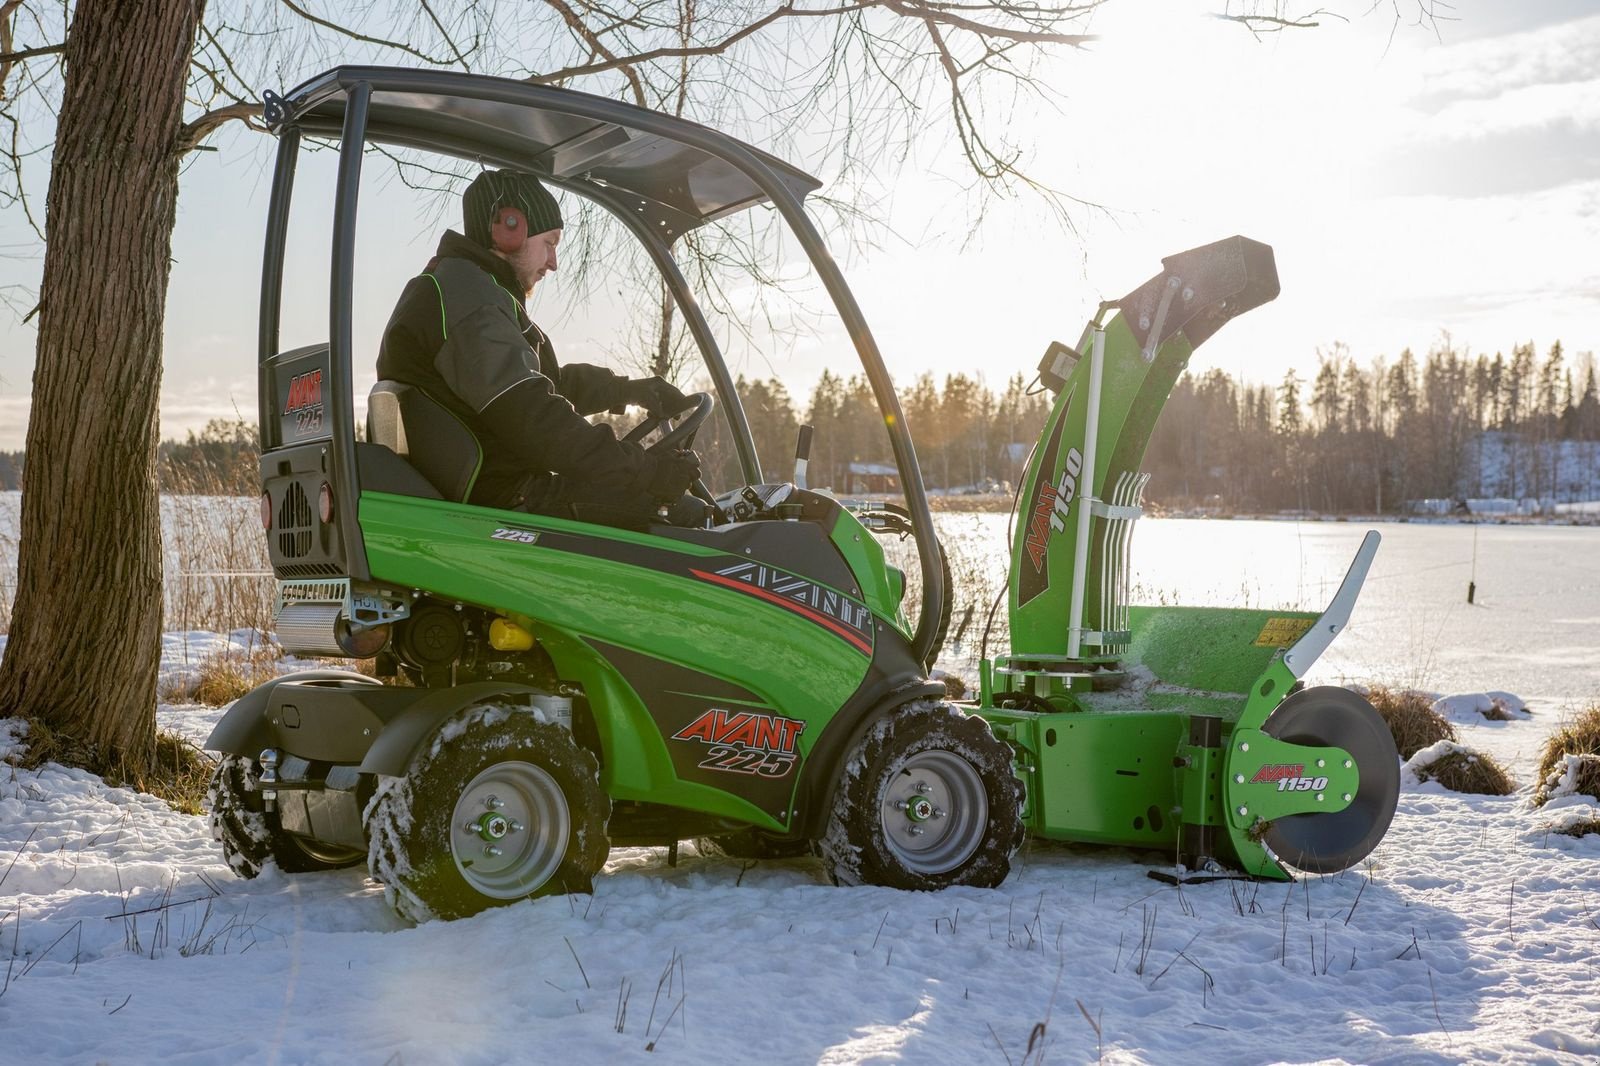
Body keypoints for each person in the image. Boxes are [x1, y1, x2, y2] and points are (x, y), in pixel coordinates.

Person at [377, 169, 700, 526]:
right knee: (690, 521)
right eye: (550, 243)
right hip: (506, 503)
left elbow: (541, 386)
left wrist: (626, 389)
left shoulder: (462, 289)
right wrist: (646, 471)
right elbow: (534, 417)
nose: (554, 262)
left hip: (497, 490)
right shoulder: (471, 303)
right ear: (509, 228)